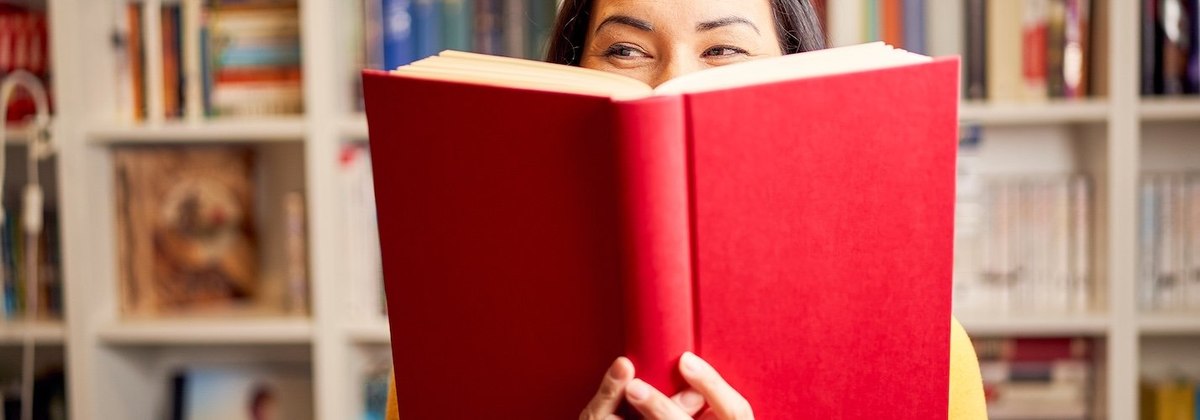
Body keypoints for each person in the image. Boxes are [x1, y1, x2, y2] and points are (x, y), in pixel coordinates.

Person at [542, 0, 988, 419]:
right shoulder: (483, 336)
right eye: (624, 50)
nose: (668, 84)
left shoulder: (929, 356)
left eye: (724, 49)